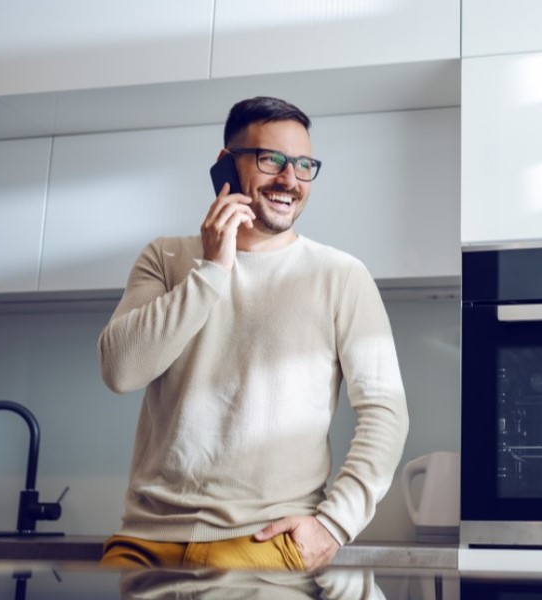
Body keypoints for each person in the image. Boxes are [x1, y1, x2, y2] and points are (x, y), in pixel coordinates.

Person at [96, 96, 409, 571]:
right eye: (272, 160)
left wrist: (334, 525)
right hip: (146, 544)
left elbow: (385, 410)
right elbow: (120, 370)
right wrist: (213, 271)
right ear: (226, 166)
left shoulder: (340, 274)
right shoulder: (166, 259)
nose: (290, 180)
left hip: (264, 545)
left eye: (304, 165)